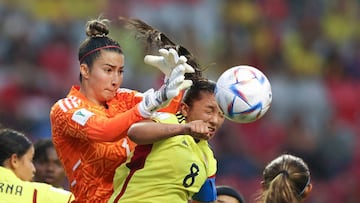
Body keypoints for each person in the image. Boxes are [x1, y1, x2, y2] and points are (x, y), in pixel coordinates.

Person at [50, 16, 194, 202]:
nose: (116, 79)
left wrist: (170, 84)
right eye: (108, 70)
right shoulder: (66, 108)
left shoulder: (124, 97)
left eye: (120, 71)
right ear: (85, 71)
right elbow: (104, 131)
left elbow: (165, 117)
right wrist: (145, 107)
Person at [0, 128, 75, 202]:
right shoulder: (37, 194)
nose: (50, 169)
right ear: (14, 160)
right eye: (30, 160)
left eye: (58, 164)